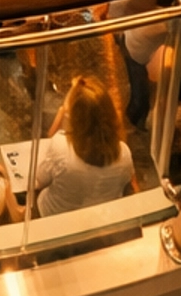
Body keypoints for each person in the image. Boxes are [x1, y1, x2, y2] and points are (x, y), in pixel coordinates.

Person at [34, 78, 134, 215]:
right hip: (102, 218)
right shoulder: (124, 154)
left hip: (56, 217)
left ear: (75, 118)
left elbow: (40, 179)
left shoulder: (60, 147)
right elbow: (125, 184)